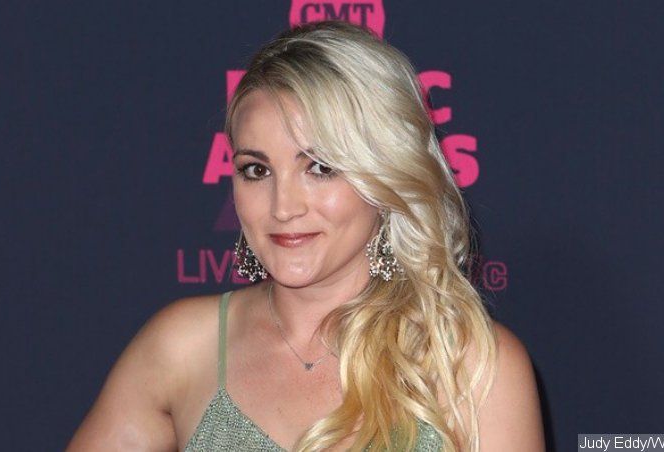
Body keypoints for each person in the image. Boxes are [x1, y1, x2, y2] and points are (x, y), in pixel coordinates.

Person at [67, 20, 544, 451]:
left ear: (386, 176)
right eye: (256, 170)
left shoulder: (472, 367)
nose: (283, 207)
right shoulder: (184, 348)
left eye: (319, 167)